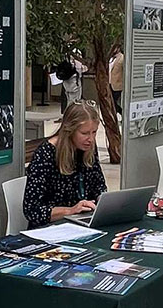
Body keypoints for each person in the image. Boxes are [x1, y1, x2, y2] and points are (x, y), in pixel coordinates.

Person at [23, 101, 107, 229]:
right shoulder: (46, 154)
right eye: (84, 133)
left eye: (94, 132)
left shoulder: (88, 149)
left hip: (82, 223)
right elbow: (32, 210)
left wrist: (103, 200)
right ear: (69, 130)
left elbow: (99, 185)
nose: (90, 139)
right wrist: (70, 211)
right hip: (51, 228)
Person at [109, 44, 124, 115]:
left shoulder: (122, 58)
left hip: (117, 84)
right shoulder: (111, 58)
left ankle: (122, 113)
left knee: (114, 102)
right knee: (110, 102)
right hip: (109, 83)